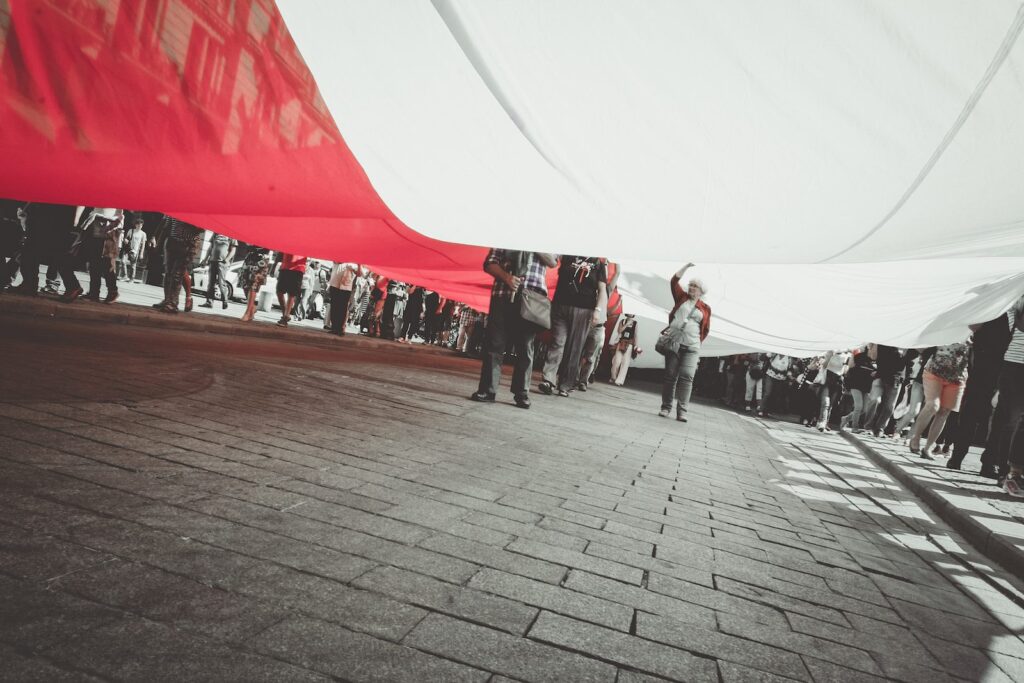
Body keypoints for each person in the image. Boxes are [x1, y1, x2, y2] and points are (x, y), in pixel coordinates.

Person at [471, 249, 557, 408]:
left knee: (525, 347)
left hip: (531, 297)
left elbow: (553, 261)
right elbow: (489, 263)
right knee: (494, 344)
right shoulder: (508, 233)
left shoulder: (547, 236)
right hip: (503, 294)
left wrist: (534, 242)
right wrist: (507, 277)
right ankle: (487, 390)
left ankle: (521, 393)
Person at [947, 311, 1013, 473]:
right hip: (985, 363)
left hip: (1011, 364)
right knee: (972, 411)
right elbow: (973, 325)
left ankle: (989, 462)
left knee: (1001, 416)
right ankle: (958, 456)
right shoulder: (998, 304)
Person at [539, 255, 608, 397]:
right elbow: (553, 263)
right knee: (557, 342)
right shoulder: (567, 256)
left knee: (574, 347)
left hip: (584, 310)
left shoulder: (598, 264)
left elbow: (602, 290)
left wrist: (598, 310)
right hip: (561, 305)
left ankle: (565, 384)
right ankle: (548, 380)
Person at [659, 263, 712, 421]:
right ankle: (666, 407)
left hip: (692, 346)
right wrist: (687, 266)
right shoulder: (681, 298)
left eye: (695, 286)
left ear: (701, 291)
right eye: (690, 285)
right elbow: (674, 281)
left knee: (687, 376)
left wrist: (696, 342)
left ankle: (682, 411)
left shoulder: (706, 308)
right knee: (670, 376)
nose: (691, 288)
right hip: (675, 343)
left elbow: (706, 329)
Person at [909, 339, 972, 458]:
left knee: (944, 412)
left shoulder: (974, 331)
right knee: (933, 405)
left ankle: (928, 448)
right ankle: (915, 437)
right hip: (934, 372)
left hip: (957, 377)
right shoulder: (946, 324)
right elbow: (921, 344)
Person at [150, 215, 204, 313]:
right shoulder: (174, 208)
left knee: (177, 275)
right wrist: (159, 244)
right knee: (168, 273)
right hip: (172, 242)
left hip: (187, 244)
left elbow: (201, 228)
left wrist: (188, 222)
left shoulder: (195, 209)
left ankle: (173, 303)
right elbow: (166, 226)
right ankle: (167, 300)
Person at [71, 207, 123, 304]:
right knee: (95, 260)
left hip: (110, 224)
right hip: (99, 221)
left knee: (106, 261)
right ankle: (95, 292)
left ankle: (111, 291)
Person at [863, 344, 905, 437]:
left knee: (889, 407)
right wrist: (873, 345)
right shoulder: (882, 341)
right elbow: (872, 356)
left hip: (896, 378)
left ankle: (880, 428)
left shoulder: (905, 343)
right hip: (880, 375)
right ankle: (868, 427)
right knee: (875, 400)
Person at [839, 346, 876, 432]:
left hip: (866, 388)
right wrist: (852, 355)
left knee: (864, 410)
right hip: (855, 385)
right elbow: (851, 367)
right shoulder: (860, 356)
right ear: (869, 348)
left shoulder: (876, 360)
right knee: (858, 406)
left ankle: (845, 418)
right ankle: (854, 427)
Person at [816, 349, 853, 432]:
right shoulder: (831, 351)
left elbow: (845, 371)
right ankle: (822, 422)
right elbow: (824, 365)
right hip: (828, 377)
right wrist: (830, 356)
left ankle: (825, 422)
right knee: (826, 402)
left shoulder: (848, 355)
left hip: (838, 379)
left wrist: (846, 365)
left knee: (831, 404)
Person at [199, 232, 236, 309]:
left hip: (222, 262)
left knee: (221, 282)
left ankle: (225, 301)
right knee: (211, 282)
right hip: (212, 261)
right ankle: (209, 302)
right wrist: (205, 259)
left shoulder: (232, 234)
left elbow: (233, 250)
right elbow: (210, 247)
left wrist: (227, 259)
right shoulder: (216, 233)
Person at [239, 248, 270, 322]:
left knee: (254, 286)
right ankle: (252, 308)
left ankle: (247, 313)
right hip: (250, 256)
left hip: (261, 258)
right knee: (245, 284)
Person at [274, 253, 307, 327]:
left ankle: (285, 317)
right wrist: (274, 265)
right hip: (285, 266)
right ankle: (285, 313)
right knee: (279, 291)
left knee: (291, 294)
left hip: (298, 268)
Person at [327, 262, 358, 336]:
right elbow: (336, 261)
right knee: (334, 306)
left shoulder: (354, 263)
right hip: (335, 284)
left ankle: (340, 328)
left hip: (346, 287)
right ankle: (334, 327)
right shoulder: (339, 257)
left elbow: (359, 274)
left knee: (343, 308)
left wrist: (359, 265)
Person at [759, 353, 793, 418]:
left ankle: (768, 411)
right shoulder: (774, 354)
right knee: (767, 393)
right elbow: (762, 358)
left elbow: (789, 369)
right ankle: (761, 410)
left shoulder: (789, 358)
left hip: (780, 379)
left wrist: (790, 376)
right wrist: (767, 355)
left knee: (775, 394)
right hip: (770, 375)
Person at [608, 314, 638, 386]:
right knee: (617, 361)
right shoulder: (622, 321)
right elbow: (619, 331)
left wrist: (636, 345)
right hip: (621, 343)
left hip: (630, 344)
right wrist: (626, 324)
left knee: (625, 363)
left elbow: (635, 335)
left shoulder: (635, 323)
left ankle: (620, 381)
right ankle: (613, 377)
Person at [118, 216, 147, 283]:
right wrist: (125, 240)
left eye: (141, 225)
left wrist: (141, 253)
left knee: (133, 265)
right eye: (139, 225)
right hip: (128, 249)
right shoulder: (131, 230)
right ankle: (125, 276)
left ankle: (132, 278)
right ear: (136, 225)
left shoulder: (143, 234)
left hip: (135, 251)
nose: (140, 226)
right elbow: (127, 238)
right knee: (123, 261)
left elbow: (143, 245)